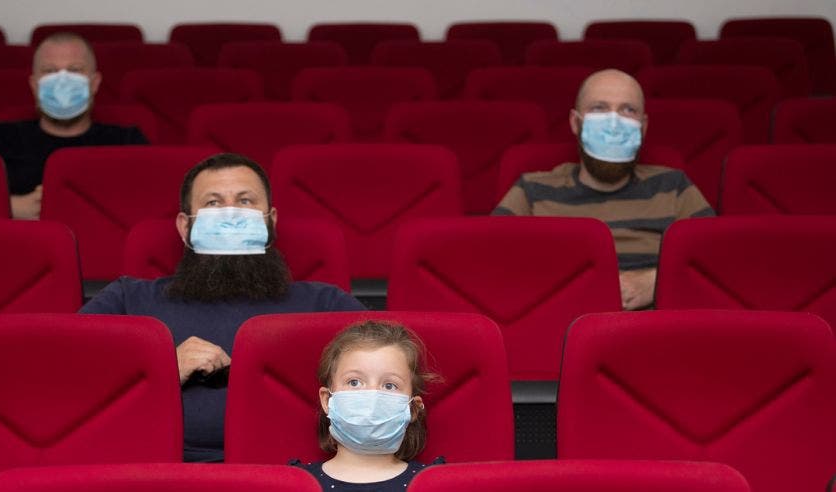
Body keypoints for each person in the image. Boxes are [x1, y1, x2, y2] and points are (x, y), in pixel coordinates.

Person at [80, 152, 365, 462]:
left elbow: (398, 362)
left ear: (270, 220)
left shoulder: (324, 303)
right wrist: (160, 368)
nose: (231, 214)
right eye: (213, 203)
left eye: (245, 201)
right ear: (184, 226)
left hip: (295, 469)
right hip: (161, 469)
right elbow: (65, 378)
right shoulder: (128, 298)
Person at [492, 68, 714, 310]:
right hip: (561, 323)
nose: (614, 122)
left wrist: (655, 281)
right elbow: (491, 263)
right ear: (575, 122)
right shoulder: (531, 190)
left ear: (644, 126)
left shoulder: (674, 186)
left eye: (628, 110)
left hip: (656, 329)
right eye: (599, 108)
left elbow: (716, 262)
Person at [0, 32, 147, 220]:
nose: (62, 81)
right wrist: (8, 206)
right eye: (50, 71)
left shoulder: (128, 143)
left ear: (95, 83)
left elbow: (153, 201)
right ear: (34, 85)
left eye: (74, 69)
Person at [292, 320, 443, 491]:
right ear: (327, 400)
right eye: (354, 382)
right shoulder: (295, 483)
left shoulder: (434, 484)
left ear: (412, 408)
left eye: (389, 385)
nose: (372, 397)